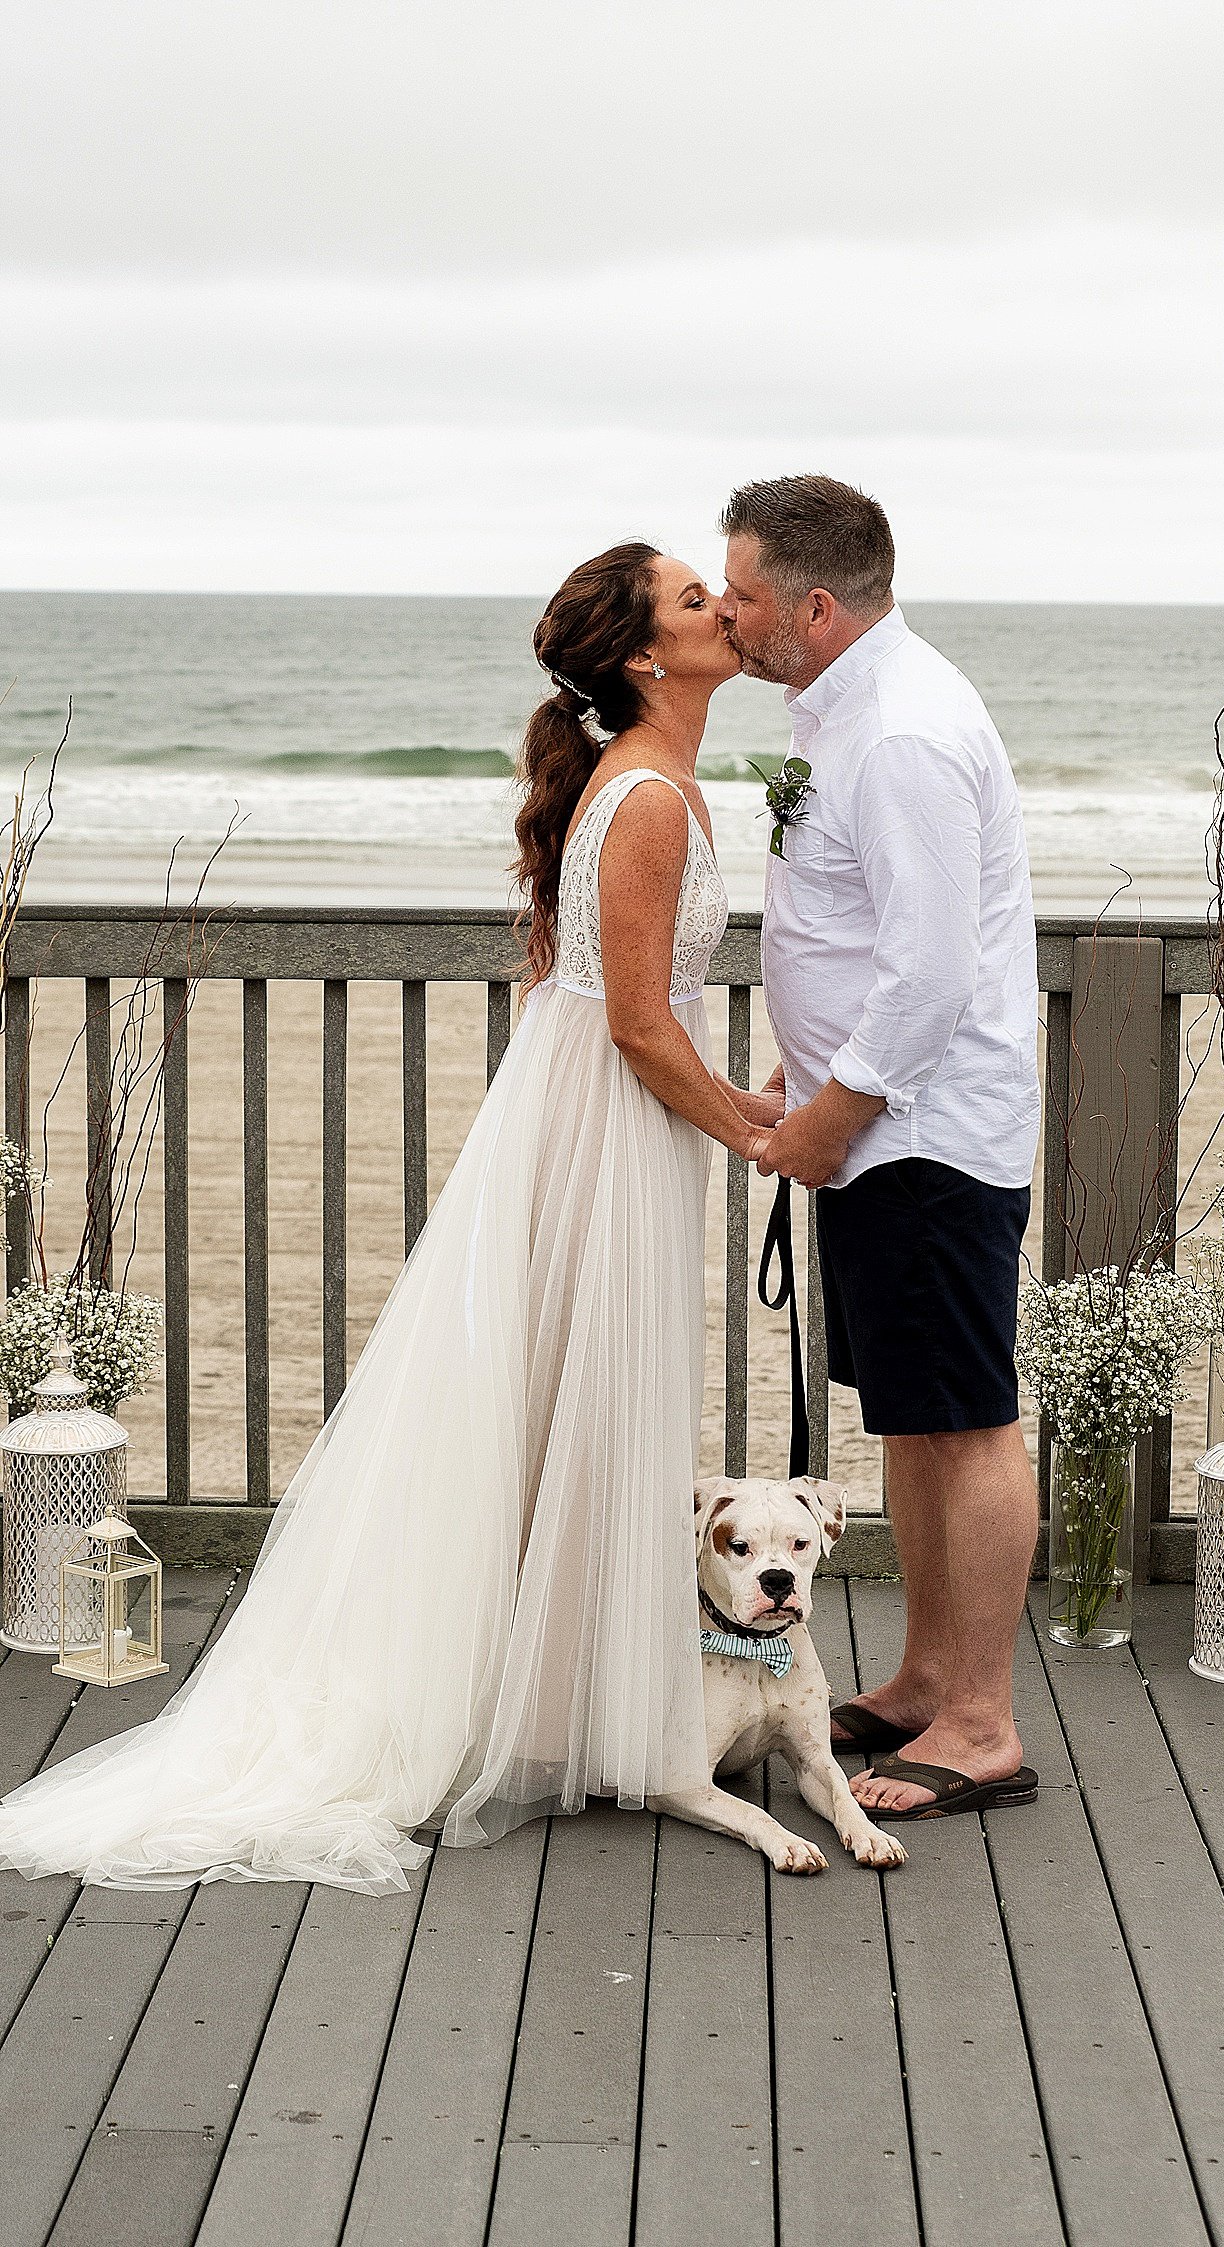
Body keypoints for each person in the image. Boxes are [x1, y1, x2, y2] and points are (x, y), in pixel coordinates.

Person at [0, 542, 779, 1892]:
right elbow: (643, 1027)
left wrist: (700, 1107)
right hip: (614, 1125)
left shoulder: (644, 782)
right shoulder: (647, 799)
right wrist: (757, 1127)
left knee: (572, 1402)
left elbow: (584, 995)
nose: (725, 606)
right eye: (697, 599)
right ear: (648, 655)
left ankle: (570, 1703)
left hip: (600, 1124)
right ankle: (571, 1715)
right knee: (578, 1400)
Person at [721, 475, 1042, 1820]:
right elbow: (861, 941)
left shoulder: (900, 733)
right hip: (878, 1134)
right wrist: (808, 1069)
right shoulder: (843, 714)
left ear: (813, 602)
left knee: (964, 1424)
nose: (728, 616)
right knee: (909, 1422)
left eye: (740, 594)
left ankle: (979, 1725)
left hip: (925, 1140)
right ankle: (921, 1680)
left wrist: (829, 1118)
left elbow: (927, 978)